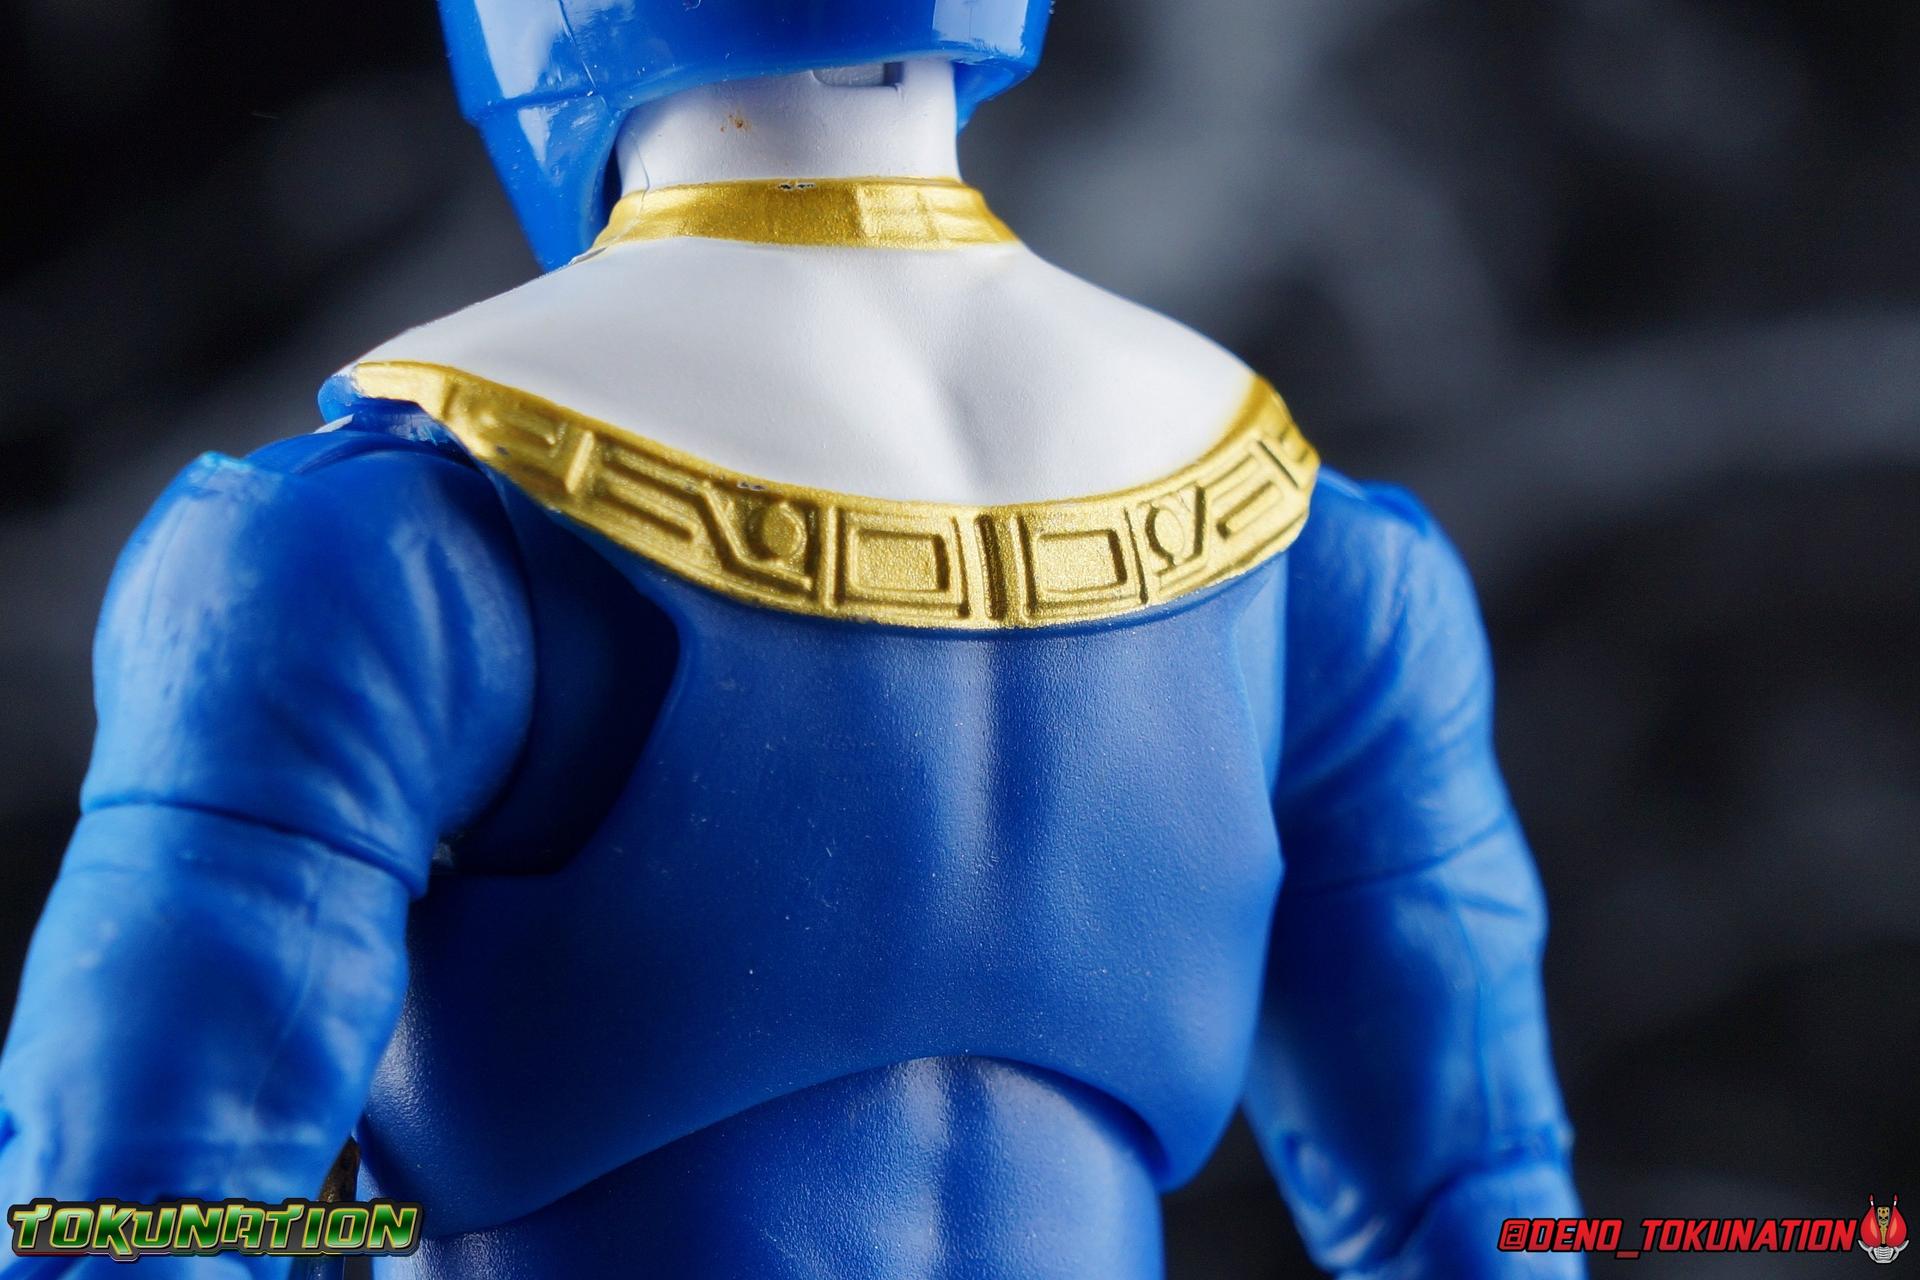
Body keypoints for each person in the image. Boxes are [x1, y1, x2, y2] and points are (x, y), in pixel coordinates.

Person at [0, 2, 1581, 1275]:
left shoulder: (368, 544)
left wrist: (343, 1234)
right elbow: (1491, 1217)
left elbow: (125, 1221)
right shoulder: (1317, 551)